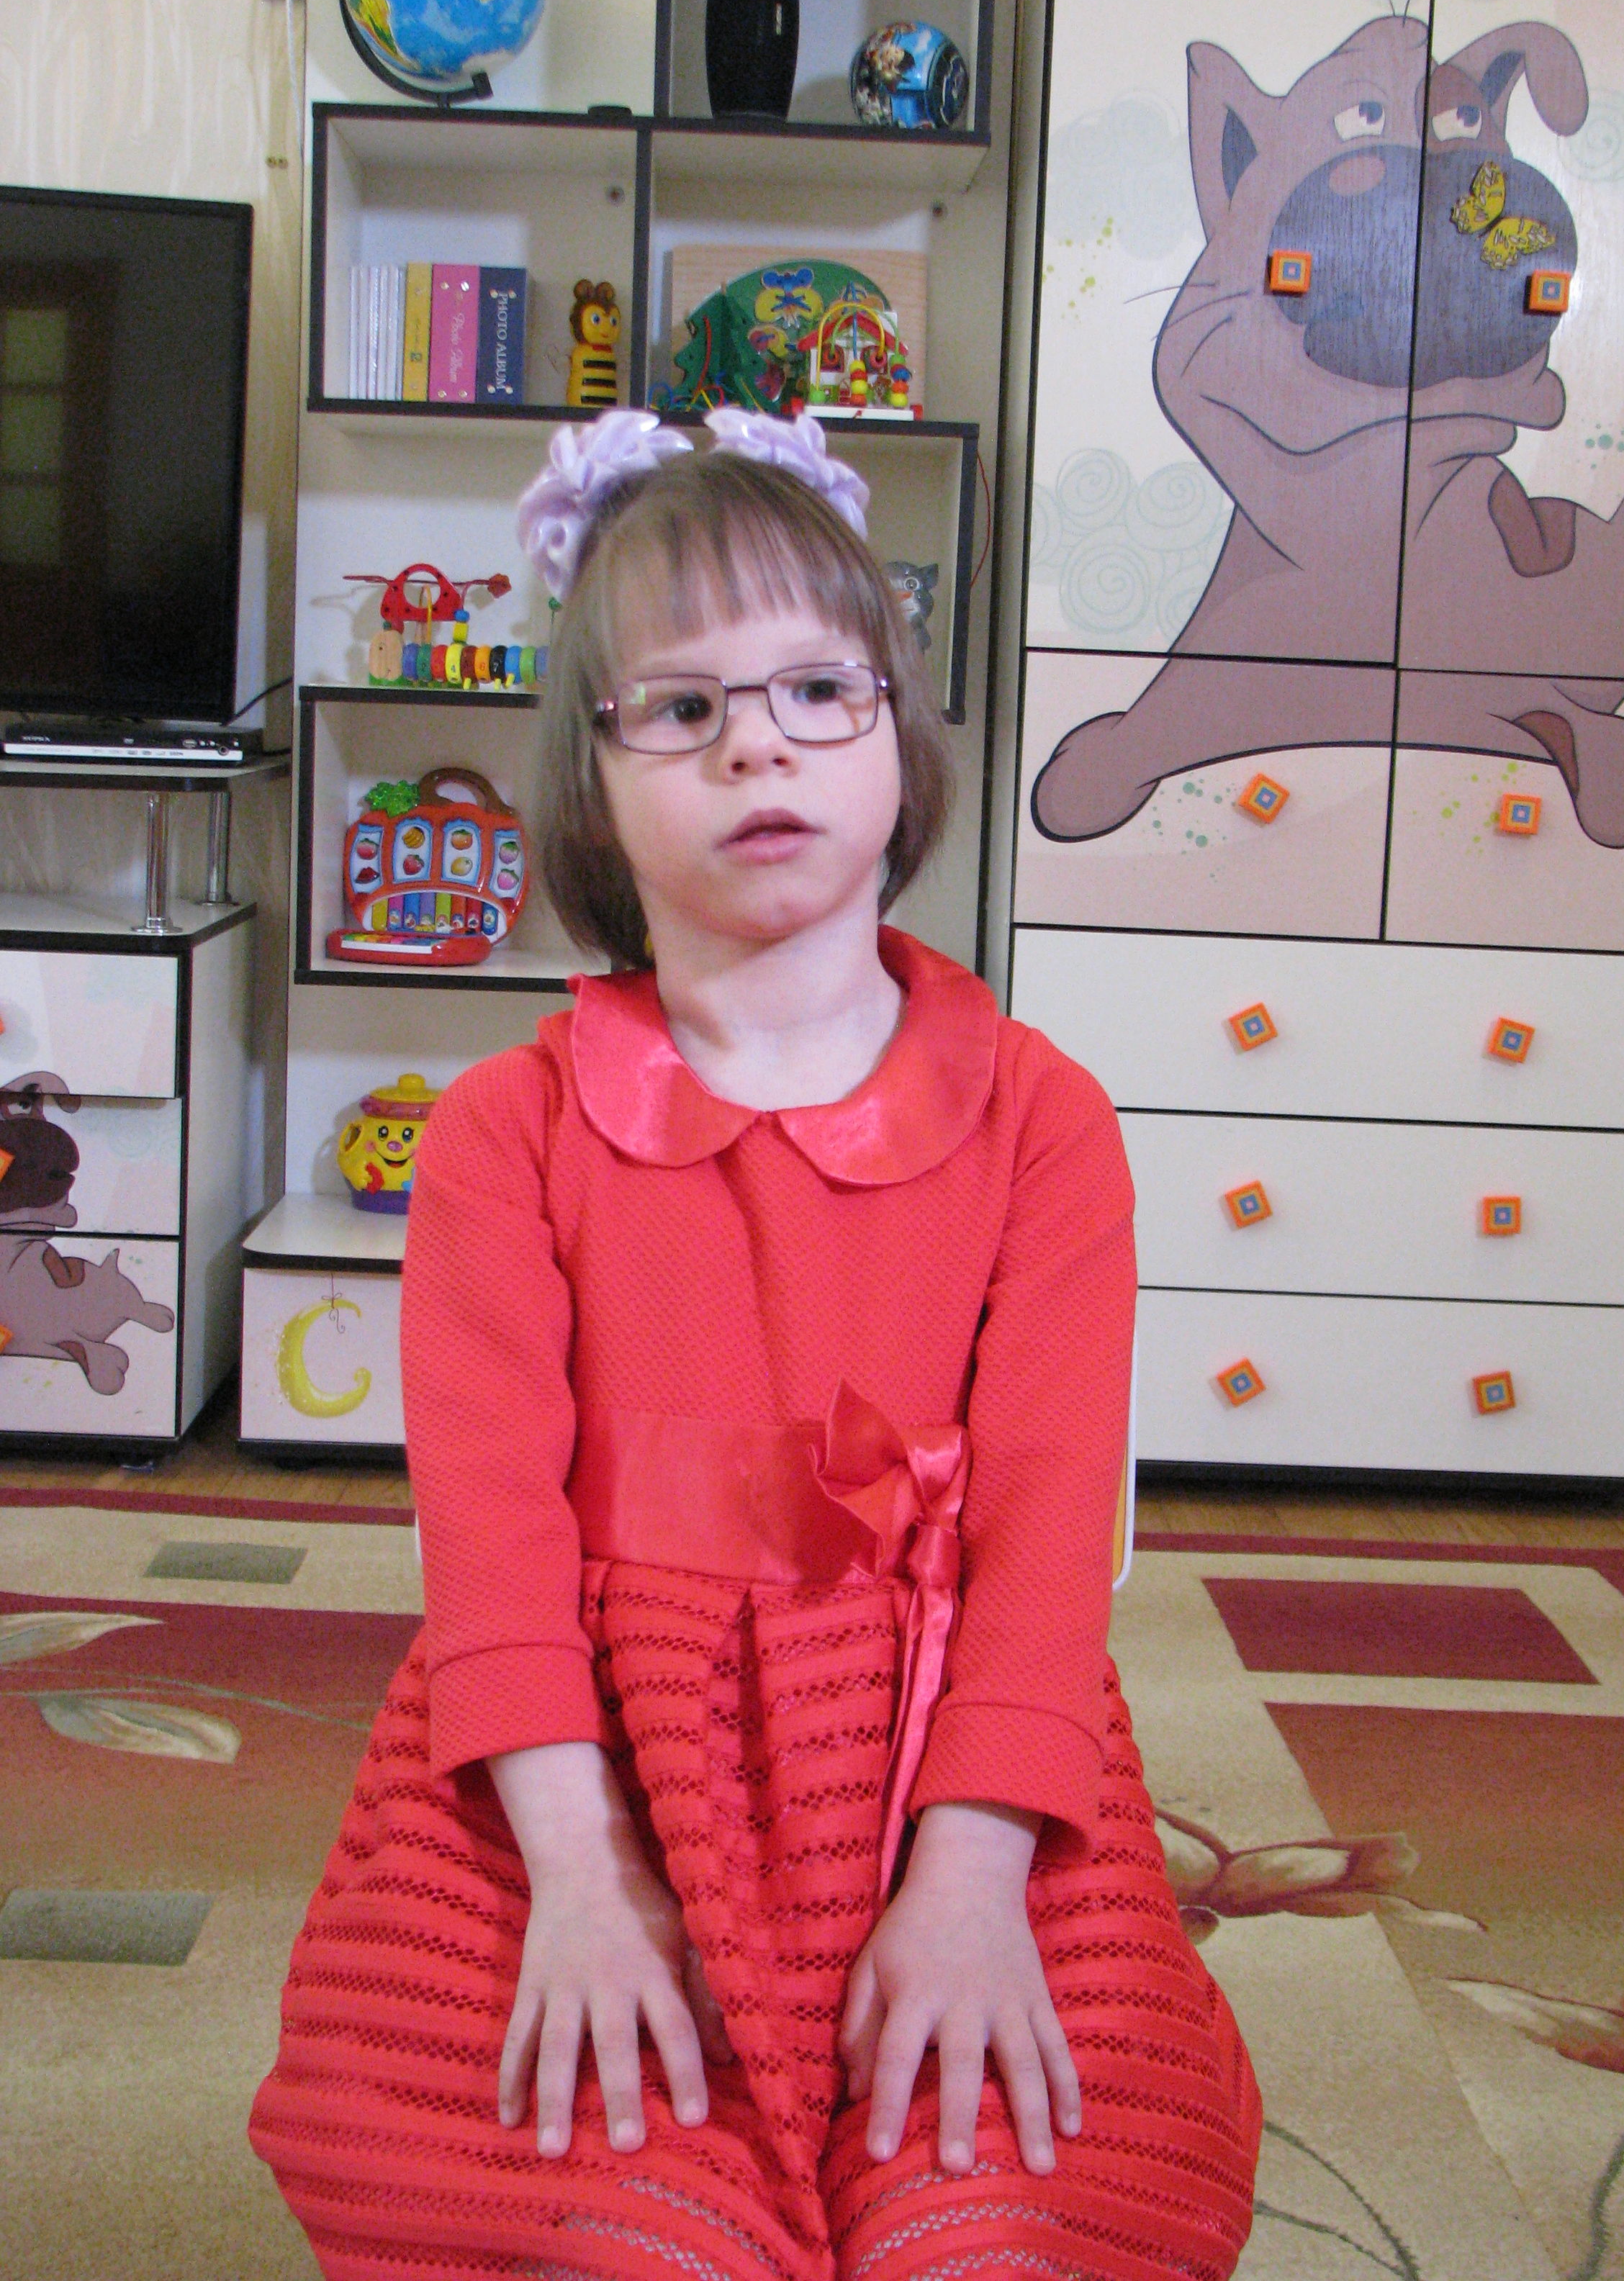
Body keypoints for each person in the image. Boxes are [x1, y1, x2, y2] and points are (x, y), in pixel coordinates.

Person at [250, 408, 1260, 2281]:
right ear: (591, 781)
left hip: (938, 1767)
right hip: (593, 1767)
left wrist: (971, 1874)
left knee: (997, 2221)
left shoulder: (1041, 1119)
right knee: (616, 2222)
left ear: (897, 733)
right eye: (682, 707)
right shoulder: (502, 1134)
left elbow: (1047, 1541)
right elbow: (492, 1544)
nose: (757, 744)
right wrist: (578, 1875)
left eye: (816, 689)